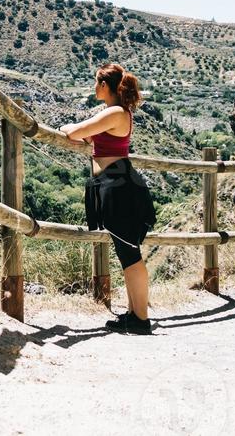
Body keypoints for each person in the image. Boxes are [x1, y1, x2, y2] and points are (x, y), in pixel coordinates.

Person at [59, 62, 156, 335]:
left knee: (130, 255)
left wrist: (74, 130)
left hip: (118, 187)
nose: (93, 87)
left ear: (104, 86)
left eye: (96, 82)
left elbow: (75, 131)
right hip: (114, 183)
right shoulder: (113, 113)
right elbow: (90, 137)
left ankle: (141, 319)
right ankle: (134, 314)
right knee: (127, 254)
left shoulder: (114, 112)